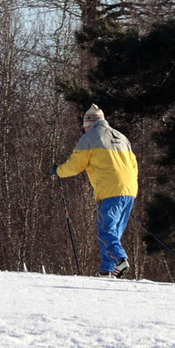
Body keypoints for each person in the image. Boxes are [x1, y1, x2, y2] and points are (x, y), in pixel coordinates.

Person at [54, 104, 138, 278]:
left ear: (89, 123)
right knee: (114, 232)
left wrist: (58, 171)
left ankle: (121, 260)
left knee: (106, 231)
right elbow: (134, 165)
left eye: (84, 127)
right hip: (129, 189)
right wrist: (125, 191)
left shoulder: (91, 137)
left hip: (109, 190)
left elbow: (76, 164)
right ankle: (107, 269)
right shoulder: (121, 137)